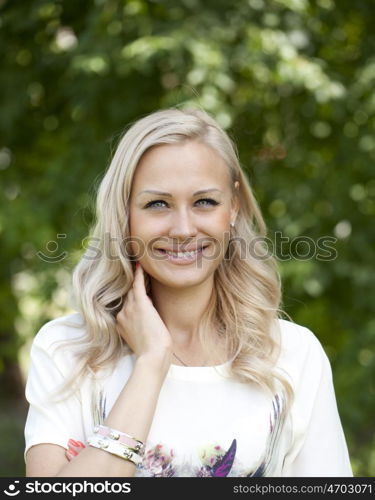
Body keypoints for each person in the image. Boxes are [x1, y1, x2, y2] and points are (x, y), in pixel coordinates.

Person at [24, 108, 352, 477]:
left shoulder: (293, 355)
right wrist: (150, 363)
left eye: (204, 202)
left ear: (233, 207)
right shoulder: (68, 351)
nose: (182, 229)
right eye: (157, 203)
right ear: (124, 213)